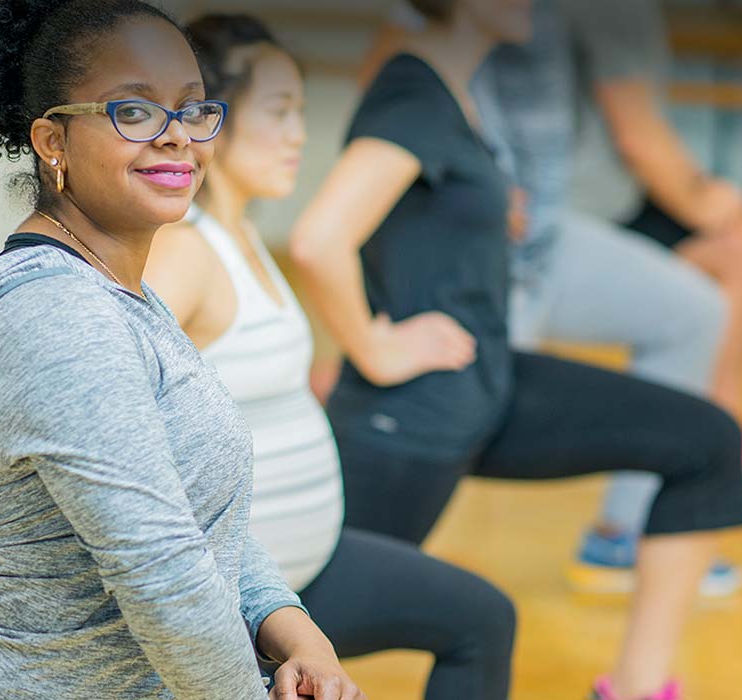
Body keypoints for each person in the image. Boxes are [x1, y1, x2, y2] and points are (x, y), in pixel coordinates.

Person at [0, 2, 363, 698]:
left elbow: (199, 520)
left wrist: (295, 631)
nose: (178, 138)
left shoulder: (123, 295)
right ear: (52, 140)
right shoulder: (58, 314)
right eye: (133, 112)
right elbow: (163, 571)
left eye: (193, 108)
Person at [291, 0, 742, 698]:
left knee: (704, 441)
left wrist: (486, 210)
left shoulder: (453, 90)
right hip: (412, 422)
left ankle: (635, 687)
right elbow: (318, 240)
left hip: (485, 387)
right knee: (290, 621)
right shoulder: (412, 90)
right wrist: (375, 349)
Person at [145, 14, 517, 699]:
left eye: (302, 113)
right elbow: (124, 427)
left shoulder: (247, 238)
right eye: (280, 112)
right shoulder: (183, 251)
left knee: (483, 618)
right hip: (241, 607)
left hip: (305, 573)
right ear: (209, 122)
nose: (299, 136)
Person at [564, 0, 742, 480]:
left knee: (734, 247)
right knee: (736, 246)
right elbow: (635, 133)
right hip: (578, 210)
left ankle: (720, 431)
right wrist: (705, 200)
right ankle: (719, 431)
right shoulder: (610, 11)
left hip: (601, 196)